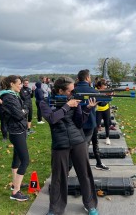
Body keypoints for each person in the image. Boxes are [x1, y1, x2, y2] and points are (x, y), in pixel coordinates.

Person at [40, 77, 99, 215]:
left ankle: (90, 205)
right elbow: (52, 119)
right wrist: (67, 106)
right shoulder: (45, 102)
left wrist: (88, 109)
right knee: (58, 177)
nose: (74, 93)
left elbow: (80, 122)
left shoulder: (74, 99)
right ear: (60, 90)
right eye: (70, 90)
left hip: (78, 141)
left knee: (85, 174)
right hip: (60, 143)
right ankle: (55, 209)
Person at [0, 75, 29, 201]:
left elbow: (21, 111)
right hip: (16, 131)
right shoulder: (8, 97)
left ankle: (15, 184)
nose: (21, 86)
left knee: (17, 158)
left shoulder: (12, 96)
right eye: (19, 83)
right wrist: (24, 110)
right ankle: (16, 192)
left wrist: (23, 110)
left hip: (19, 129)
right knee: (25, 160)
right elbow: (18, 115)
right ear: (12, 84)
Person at [75, 69, 110, 170]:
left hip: (76, 122)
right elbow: (103, 104)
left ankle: (72, 167)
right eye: (89, 77)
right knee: (93, 143)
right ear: (87, 78)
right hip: (90, 122)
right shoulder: (93, 91)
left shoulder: (73, 90)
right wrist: (107, 96)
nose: (90, 79)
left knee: (76, 146)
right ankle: (90, 165)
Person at [96, 78, 112, 145]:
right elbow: (99, 102)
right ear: (99, 87)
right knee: (96, 125)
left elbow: (109, 99)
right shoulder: (96, 91)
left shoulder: (106, 91)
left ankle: (107, 138)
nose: (105, 87)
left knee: (107, 124)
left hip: (106, 109)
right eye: (103, 85)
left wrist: (110, 95)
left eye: (105, 85)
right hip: (98, 110)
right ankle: (94, 138)